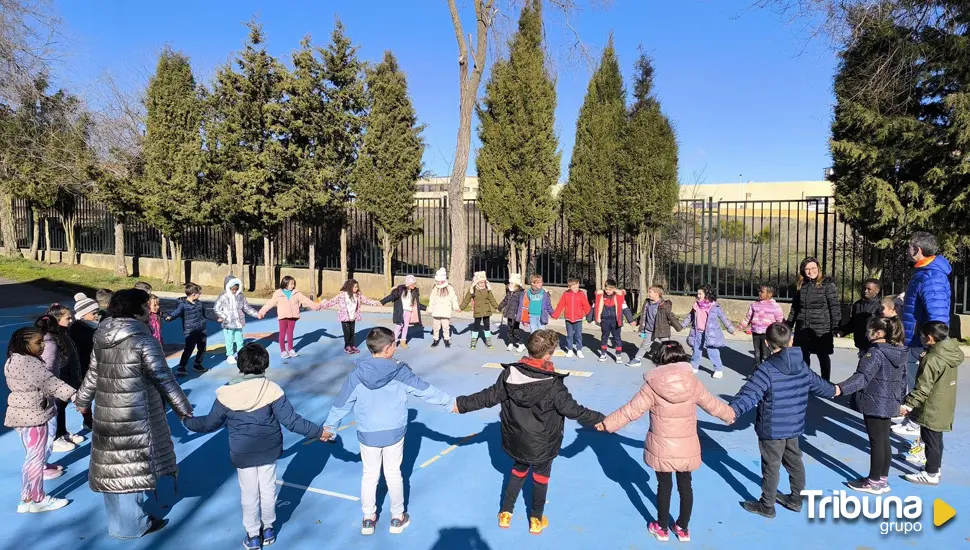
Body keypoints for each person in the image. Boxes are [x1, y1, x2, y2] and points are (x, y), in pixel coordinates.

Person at [454, 329, 604, 535]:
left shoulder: (510, 374)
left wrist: (461, 404)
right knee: (541, 478)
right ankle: (536, 518)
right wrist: (602, 420)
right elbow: (574, 410)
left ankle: (506, 512)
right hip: (543, 443)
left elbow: (488, 397)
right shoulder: (553, 385)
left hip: (517, 440)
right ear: (548, 355)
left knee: (518, 471)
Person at [183, 343, 327, 549]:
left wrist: (187, 421)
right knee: (268, 489)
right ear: (264, 365)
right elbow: (292, 421)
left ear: (240, 365)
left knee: (249, 493)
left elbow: (209, 424)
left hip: (243, 451)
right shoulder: (272, 389)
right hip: (269, 448)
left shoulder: (226, 393)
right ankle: (268, 528)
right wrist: (318, 431)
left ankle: (253, 535)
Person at [76, 289, 193, 539]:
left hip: (107, 411)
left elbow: (93, 372)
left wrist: (83, 400)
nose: (149, 307)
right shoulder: (143, 339)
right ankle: (134, 525)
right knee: (131, 468)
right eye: (145, 303)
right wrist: (184, 409)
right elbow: (163, 378)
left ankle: (118, 523)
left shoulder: (101, 335)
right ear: (136, 309)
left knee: (111, 466)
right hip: (136, 413)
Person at [596, 341, 734, 542]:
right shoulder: (693, 383)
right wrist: (729, 415)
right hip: (687, 445)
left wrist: (608, 424)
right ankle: (683, 527)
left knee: (664, 486)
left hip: (662, 446)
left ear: (660, 359)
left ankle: (661, 528)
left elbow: (631, 410)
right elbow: (712, 404)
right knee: (686, 486)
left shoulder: (652, 386)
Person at [322, 327, 454, 536]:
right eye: (394, 344)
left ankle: (368, 518)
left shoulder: (357, 374)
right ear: (388, 349)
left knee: (369, 475)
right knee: (394, 474)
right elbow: (425, 390)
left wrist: (330, 428)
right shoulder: (400, 371)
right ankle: (397, 517)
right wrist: (449, 403)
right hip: (394, 433)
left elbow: (342, 403)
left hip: (368, 433)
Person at [728, 322, 839, 518]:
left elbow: (749, 395)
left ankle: (767, 505)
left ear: (768, 343)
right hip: (794, 425)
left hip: (772, 428)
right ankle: (796, 499)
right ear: (791, 340)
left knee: (771, 466)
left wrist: (731, 411)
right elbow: (818, 384)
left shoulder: (767, 369)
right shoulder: (801, 364)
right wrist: (835, 390)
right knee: (795, 461)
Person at [4, 327, 77, 513]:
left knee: (31, 457)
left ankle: (27, 498)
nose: (43, 345)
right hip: (34, 415)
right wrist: (75, 396)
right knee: (35, 459)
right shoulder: (30, 363)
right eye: (38, 343)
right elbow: (50, 383)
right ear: (25, 345)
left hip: (21, 414)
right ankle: (38, 499)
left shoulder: (13, 359)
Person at [834, 316, 907, 494]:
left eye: (869, 331)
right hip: (889, 402)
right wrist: (901, 401)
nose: (866, 334)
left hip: (875, 402)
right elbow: (904, 380)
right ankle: (882, 479)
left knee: (876, 442)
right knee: (883, 441)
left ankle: (873, 481)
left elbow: (862, 377)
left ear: (879, 333)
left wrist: (840, 388)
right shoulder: (899, 351)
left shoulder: (874, 353)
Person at [896, 232, 953, 438]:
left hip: (923, 343)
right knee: (914, 383)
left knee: (923, 389)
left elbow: (937, 316)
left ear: (918, 250)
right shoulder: (923, 272)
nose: (907, 251)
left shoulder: (931, 276)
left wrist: (930, 347)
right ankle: (914, 423)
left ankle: (920, 438)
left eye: (909, 247)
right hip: (916, 340)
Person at [898, 321, 963, 486]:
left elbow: (923, 388)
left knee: (930, 439)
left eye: (921, 335)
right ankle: (935, 467)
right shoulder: (950, 352)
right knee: (936, 438)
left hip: (932, 405)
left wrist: (907, 405)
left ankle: (931, 473)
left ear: (929, 338)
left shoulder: (932, 359)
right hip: (944, 403)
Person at [35, 305, 84, 452]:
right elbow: (49, 365)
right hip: (58, 378)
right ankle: (55, 438)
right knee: (55, 408)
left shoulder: (63, 333)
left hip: (66, 376)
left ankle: (61, 431)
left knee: (61, 407)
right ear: (56, 320)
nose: (71, 320)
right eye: (67, 318)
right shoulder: (51, 339)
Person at [787, 257, 841, 381]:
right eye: (807, 269)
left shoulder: (827, 283)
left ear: (818, 268)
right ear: (803, 271)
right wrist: (789, 325)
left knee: (823, 356)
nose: (811, 272)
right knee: (803, 355)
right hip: (803, 326)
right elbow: (795, 308)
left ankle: (825, 382)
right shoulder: (801, 285)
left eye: (813, 268)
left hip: (821, 327)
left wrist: (836, 326)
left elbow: (834, 306)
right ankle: (805, 381)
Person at [257, 276, 322, 360]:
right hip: (283, 316)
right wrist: (262, 312)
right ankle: (283, 351)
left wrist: (315, 306)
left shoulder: (296, 293)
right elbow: (270, 303)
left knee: (290, 333)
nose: (293, 285)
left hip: (293, 316)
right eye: (291, 284)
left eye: (294, 284)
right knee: (282, 333)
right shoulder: (278, 293)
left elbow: (305, 300)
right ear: (285, 283)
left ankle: (291, 349)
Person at [681, 285, 735, 378]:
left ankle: (718, 369)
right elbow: (690, 317)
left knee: (712, 351)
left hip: (710, 333)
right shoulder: (696, 305)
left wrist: (731, 329)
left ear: (707, 294)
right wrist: (682, 325)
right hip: (698, 331)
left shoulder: (714, 306)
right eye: (697, 293)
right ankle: (694, 366)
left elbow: (724, 318)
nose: (698, 295)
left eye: (700, 294)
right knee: (696, 349)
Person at [321, 278, 382, 354]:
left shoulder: (358, 295)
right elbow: (331, 302)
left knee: (352, 332)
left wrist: (376, 303)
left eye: (357, 287)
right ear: (350, 287)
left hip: (353, 317)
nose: (357, 288)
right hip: (345, 317)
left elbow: (367, 300)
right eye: (355, 287)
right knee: (347, 333)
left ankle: (352, 345)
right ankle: (347, 347)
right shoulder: (342, 295)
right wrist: (320, 306)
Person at [627, 285, 682, 367]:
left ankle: (672, 359)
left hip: (661, 330)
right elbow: (643, 315)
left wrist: (678, 326)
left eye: (650, 292)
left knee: (667, 345)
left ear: (657, 294)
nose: (648, 294)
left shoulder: (664, 305)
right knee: (645, 345)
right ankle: (637, 359)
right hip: (649, 330)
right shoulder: (647, 303)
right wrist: (637, 321)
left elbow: (671, 316)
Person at [165, 282, 211, 376]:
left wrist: (216, 318)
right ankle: (182, 367)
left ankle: (197, 364)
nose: (200, 295)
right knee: (189, 349)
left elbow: (205, 314)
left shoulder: (199, 303)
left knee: (202, 348)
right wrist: (169, 317)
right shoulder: (183, 305)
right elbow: (176, 312)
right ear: (194, 294)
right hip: (190, 331)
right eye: (199, 293)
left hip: (201, 329)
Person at [214, 275, 261, 365]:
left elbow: (247, 307)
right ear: (228, 287)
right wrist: (223, 316)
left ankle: (241, 354)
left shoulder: (240, 296)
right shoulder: (223, 296)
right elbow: (216, 308)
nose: (234, 291)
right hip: (228, 323)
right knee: (229, 339)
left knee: (239, 339)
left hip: (238, 322)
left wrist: (257, 314)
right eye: (233, 289)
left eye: (236, 289)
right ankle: (230, 355)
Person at [737, 285, 784, 370]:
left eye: (762, 292)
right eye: (759, 291)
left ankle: (767, 370)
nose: (759, 293)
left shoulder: (775, 306)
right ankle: (757, 369)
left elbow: (779, 320)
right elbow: (748, 318)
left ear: (769, 294)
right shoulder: (754, 305)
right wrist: (740, 327)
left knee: (766, 354)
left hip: (767, 334)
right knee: (757, 352)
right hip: (755, 333)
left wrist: (778, 332)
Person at [70, 292, 99, 430]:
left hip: (93, 366)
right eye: (93, 313)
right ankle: (88, 420)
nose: (97, 316)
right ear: (83, 314)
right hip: (84, 367)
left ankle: (92, 419)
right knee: (85, 396)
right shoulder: (79, 330)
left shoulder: (92, 327)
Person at [589, 279, 634, 364]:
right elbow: (595, 305)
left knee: (617, 338)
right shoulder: (601, 296)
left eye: (610, 289)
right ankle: (603, 353)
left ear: (614, 289)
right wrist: (590, 317)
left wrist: (631, 320)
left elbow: (625, 309)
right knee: (604, 337)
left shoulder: (619, 297)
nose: (608, 291)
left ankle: (618, 355)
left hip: (616, 321)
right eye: (606, 289)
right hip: (605, 320)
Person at [840, 279, 883, 356]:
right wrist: (843, 331)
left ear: (877, 291)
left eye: (869, 289)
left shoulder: (881, 306)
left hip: (875, 345)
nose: (865, 291)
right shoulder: (857, 304)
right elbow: (853, 323)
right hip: (861, 343)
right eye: (864, 288)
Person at [380, 275, 424, 349]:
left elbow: (417, 304)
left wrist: (426, 308)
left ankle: (403, 341)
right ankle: (393, 342)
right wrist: (382, 302)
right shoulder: (400, 290)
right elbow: (391, 296)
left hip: (409, 312)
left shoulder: (414, 292)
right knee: (399, 326)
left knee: (406, 326)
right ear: (409, 284)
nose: (415, 285)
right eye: (413, 284)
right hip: (401, 311)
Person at [551, 277, 591, 358]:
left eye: (577, 286)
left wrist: (589, 315)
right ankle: (570, 349)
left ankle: (579, 349)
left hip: (578, 318)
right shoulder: (566, 294)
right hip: (568, 318)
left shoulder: (581, 294)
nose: (577, 288)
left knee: (578, 335)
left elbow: (586, 305)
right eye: (575, 287)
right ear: (569, 287)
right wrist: (555, 315)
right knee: (569, 335)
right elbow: (560, 305)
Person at [460, 271, 500, 350]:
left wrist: (496, 307)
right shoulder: (473, 290)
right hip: (478, 311)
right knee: (476, 327)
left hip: (486, 311)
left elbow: (491, 299)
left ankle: (488, 342)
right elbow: (467, 299)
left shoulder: (487, 289)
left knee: (487, 327)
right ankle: (473, 342)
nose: (482, 284)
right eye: (480, 282)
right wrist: (461, 308)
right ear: (477, 282)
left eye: (484, 282)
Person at [427, 268, 460, 348]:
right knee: (436, 326)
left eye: (439, 281)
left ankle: (446, 339)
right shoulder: (435, 288)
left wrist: (456, 307)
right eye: (437, 281)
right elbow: (432, 299)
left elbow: (453, 298)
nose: (437, 282)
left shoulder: (449, 288)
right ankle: (435, 339)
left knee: (446, 326)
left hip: (445, 311)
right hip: (436, 310)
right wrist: (430, 308)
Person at [497, 274, 525, 352]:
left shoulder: (520, 293)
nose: (510, 285)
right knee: (509, 330)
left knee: (516, 330)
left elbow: (521, 305)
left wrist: (519, 314)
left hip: (516, 315)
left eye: (512, 283)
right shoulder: (510, 292)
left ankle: (521, 344)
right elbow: (505, 300)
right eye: (510, 283)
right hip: (509, 314)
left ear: (517, 284)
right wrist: (499, 307)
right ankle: (511, 343)